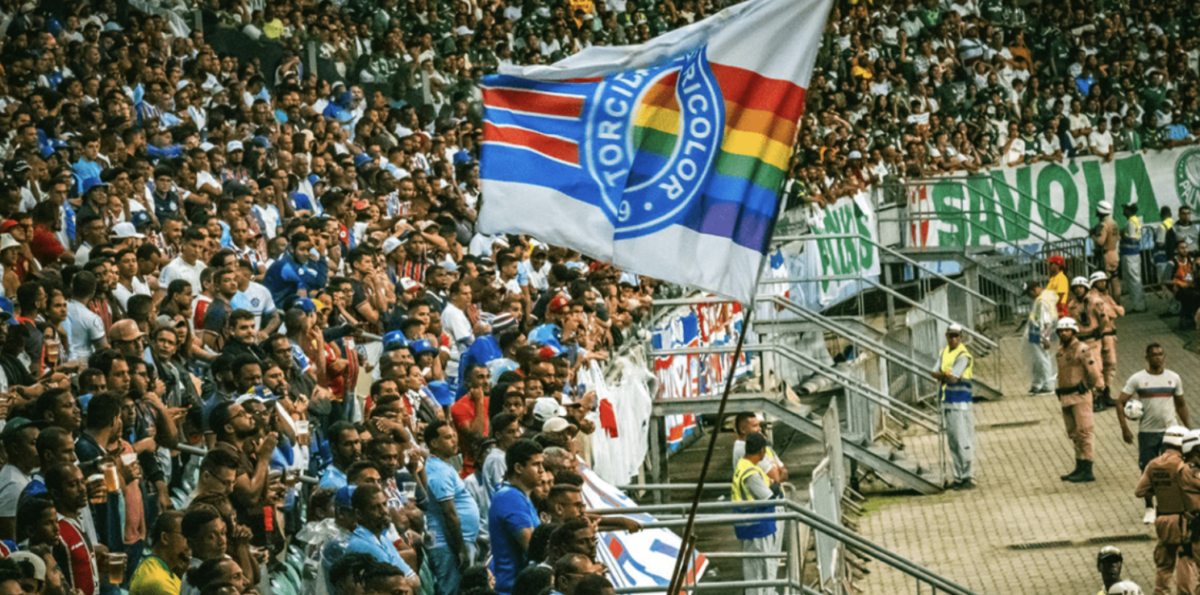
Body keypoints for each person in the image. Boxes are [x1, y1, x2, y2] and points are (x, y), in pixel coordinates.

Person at [1117, 343, 1188, 525]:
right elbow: (1120, 402)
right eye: (1154, 355)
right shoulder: (1138, 379)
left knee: (1172, 470)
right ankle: (1149, 507)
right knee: (1147, 470)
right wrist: (1124, 428)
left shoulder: (1173, 378)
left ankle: (1168, 506)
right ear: (1147, 358)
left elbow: (1180, 404)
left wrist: (1188, 428)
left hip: (1170, 433)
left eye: (1160, 354)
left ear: (1164, 357)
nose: (1158, 357)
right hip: (1147, 432)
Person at [1135, 426, 1200, 595]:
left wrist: (1161, 490)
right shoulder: (1183, 466)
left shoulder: (1153, 464)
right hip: (1184, 521)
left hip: (1162, 520)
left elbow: (1140, 491)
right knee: (1186, 559)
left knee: (1164, 565)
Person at [423, 420, 481, 595]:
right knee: (451, 590)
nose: (454, 441)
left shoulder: (443, 466)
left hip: (455, 542)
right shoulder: (438, 470)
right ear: (434, 443)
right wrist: (460, 549)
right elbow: (449, 513)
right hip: (447, 544)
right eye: (448, 438)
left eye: (454, 436)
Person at [489, 439, 544, 595]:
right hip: (513, 590)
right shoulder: (510, 498)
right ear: (519, 468)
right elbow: (532, 548)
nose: (542, 470)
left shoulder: (521, 494)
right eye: (536, 464)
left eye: (542, 464)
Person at [1054, 317, 1104, 483]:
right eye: (1061, 330)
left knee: (1084, 432)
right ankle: (1079, 466)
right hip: (1066, 396)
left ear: (1073, 331)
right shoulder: (1061, 351)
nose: (1063, 333)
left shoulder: (1082, 349)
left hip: (1080, 396)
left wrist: (1086, 386)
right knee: (1074, 434)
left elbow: (1094, 372)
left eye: (1067, 330)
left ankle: (1087, 469)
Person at [731, 432, 778, 595]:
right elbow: (769, 497)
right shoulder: (751, 473)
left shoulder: (743, 465)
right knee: (760, 574)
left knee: (754, 572)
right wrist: (775, 488)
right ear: (761, 451)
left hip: (749, 526)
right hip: (758, 528)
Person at [930, 323, 975, 490]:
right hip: (947, 400)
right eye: (951, 336)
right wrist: (945, 375)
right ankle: (958, 477)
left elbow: (953, 378)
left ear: (961, 337)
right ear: (946, 336)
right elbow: (933, 373)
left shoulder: (963, 355)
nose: (953, 339)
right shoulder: (943, 353)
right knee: (953, 442)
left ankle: (968, 476)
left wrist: (944, 375)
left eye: (956, 336)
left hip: (961, 402)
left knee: (963, 440)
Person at [129, 511, 190, 595]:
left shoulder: (163, 568)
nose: (189, 544)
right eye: (184, 536)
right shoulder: (158, 581)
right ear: (165, 538)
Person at [1091, 271, 1124, 410]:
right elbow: (1109, 314)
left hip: (1110, 334)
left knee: (1110, 364)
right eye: (1100, 282)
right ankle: (1097, 396)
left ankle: (1106, 393)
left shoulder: (1107, 298)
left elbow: (1120, 311)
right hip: (1099, 335)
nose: (1103, 284)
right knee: (1098, 367)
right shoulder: (1092, 299)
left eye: (1105, 281)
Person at [1024, 280, 1058, 396]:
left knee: (1042, 359)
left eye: (1029, 294)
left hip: (1040, 333)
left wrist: (1045, 337)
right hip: (1037, 332)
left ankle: (1048, 385)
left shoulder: (1042, 301)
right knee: (1037, 359)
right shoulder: (1043, 298)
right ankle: (1037, 383)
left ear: (1034, 290)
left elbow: (1046, 320)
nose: (1029, 297)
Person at [1093, 201, 1121, 300]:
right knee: (1115, 278)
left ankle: (1110, 303)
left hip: (1106, 255)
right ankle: (1118, 302)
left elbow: (1100, 241)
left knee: (1106, 281)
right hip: (1115, 252)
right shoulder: (1114, 223)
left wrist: (1093, 236)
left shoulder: (1103, 225)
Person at [1122, 203, 1147, 312]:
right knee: (1135, 279)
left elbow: (1132, 238)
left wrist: (1121, 235)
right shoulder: (1136, 220)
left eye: (1125, 209)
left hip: (1130, 253)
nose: (1123, 211)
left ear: (1129, 210)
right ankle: (1139, 303)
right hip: (1133, 253)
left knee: (1133, 280)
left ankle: (1138, 305)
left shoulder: (1131, 222)